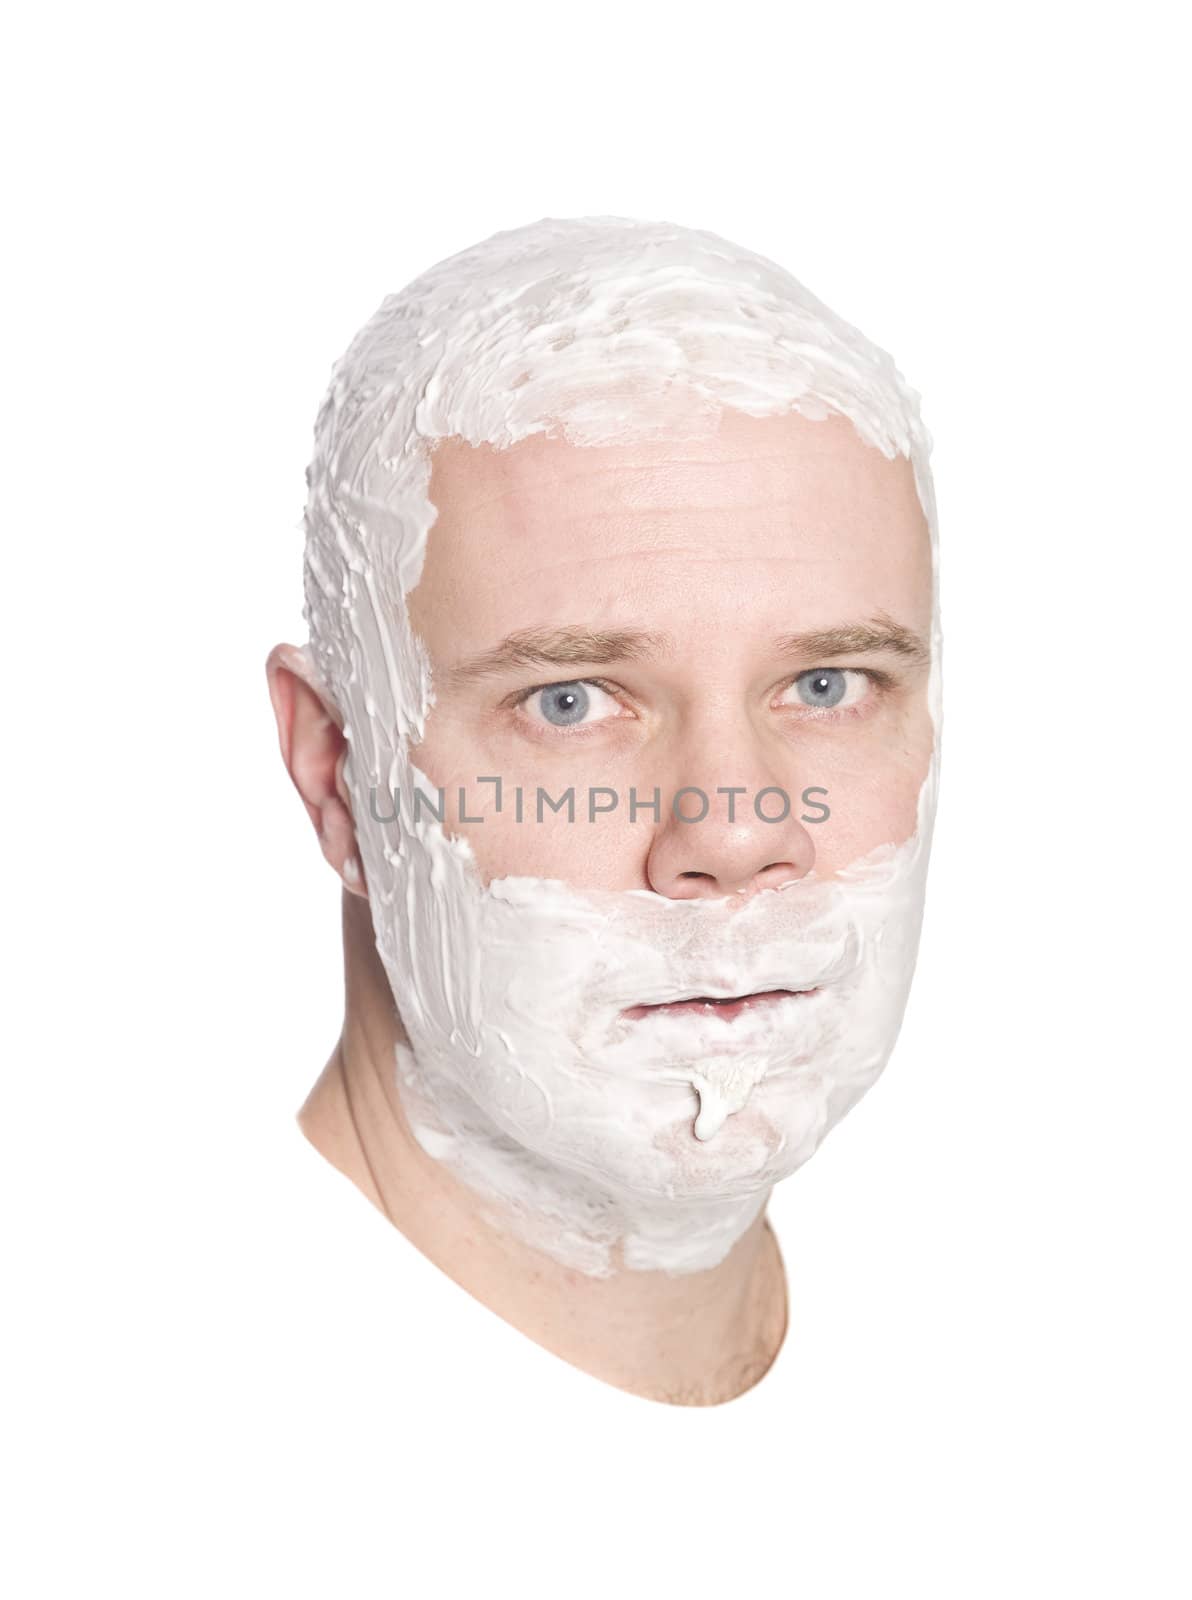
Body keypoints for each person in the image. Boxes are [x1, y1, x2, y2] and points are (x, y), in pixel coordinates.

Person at [265, 214, 941, 1408]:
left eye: (826, 685)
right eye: (571, 702)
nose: (736, 835)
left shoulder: (1042, 1374)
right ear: (338, 774)